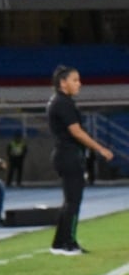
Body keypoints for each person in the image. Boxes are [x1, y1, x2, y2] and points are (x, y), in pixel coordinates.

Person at [47, 65, 114, 256]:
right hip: (69, 155)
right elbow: (76, 132)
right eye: (75, 80)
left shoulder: (59, 101)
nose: (79, 84)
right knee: (73, 201)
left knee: (69, 201)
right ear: (63, 82)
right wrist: (100, 148)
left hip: (64, 155)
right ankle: (69, 243)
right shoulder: (63, 103)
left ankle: (59, 243)